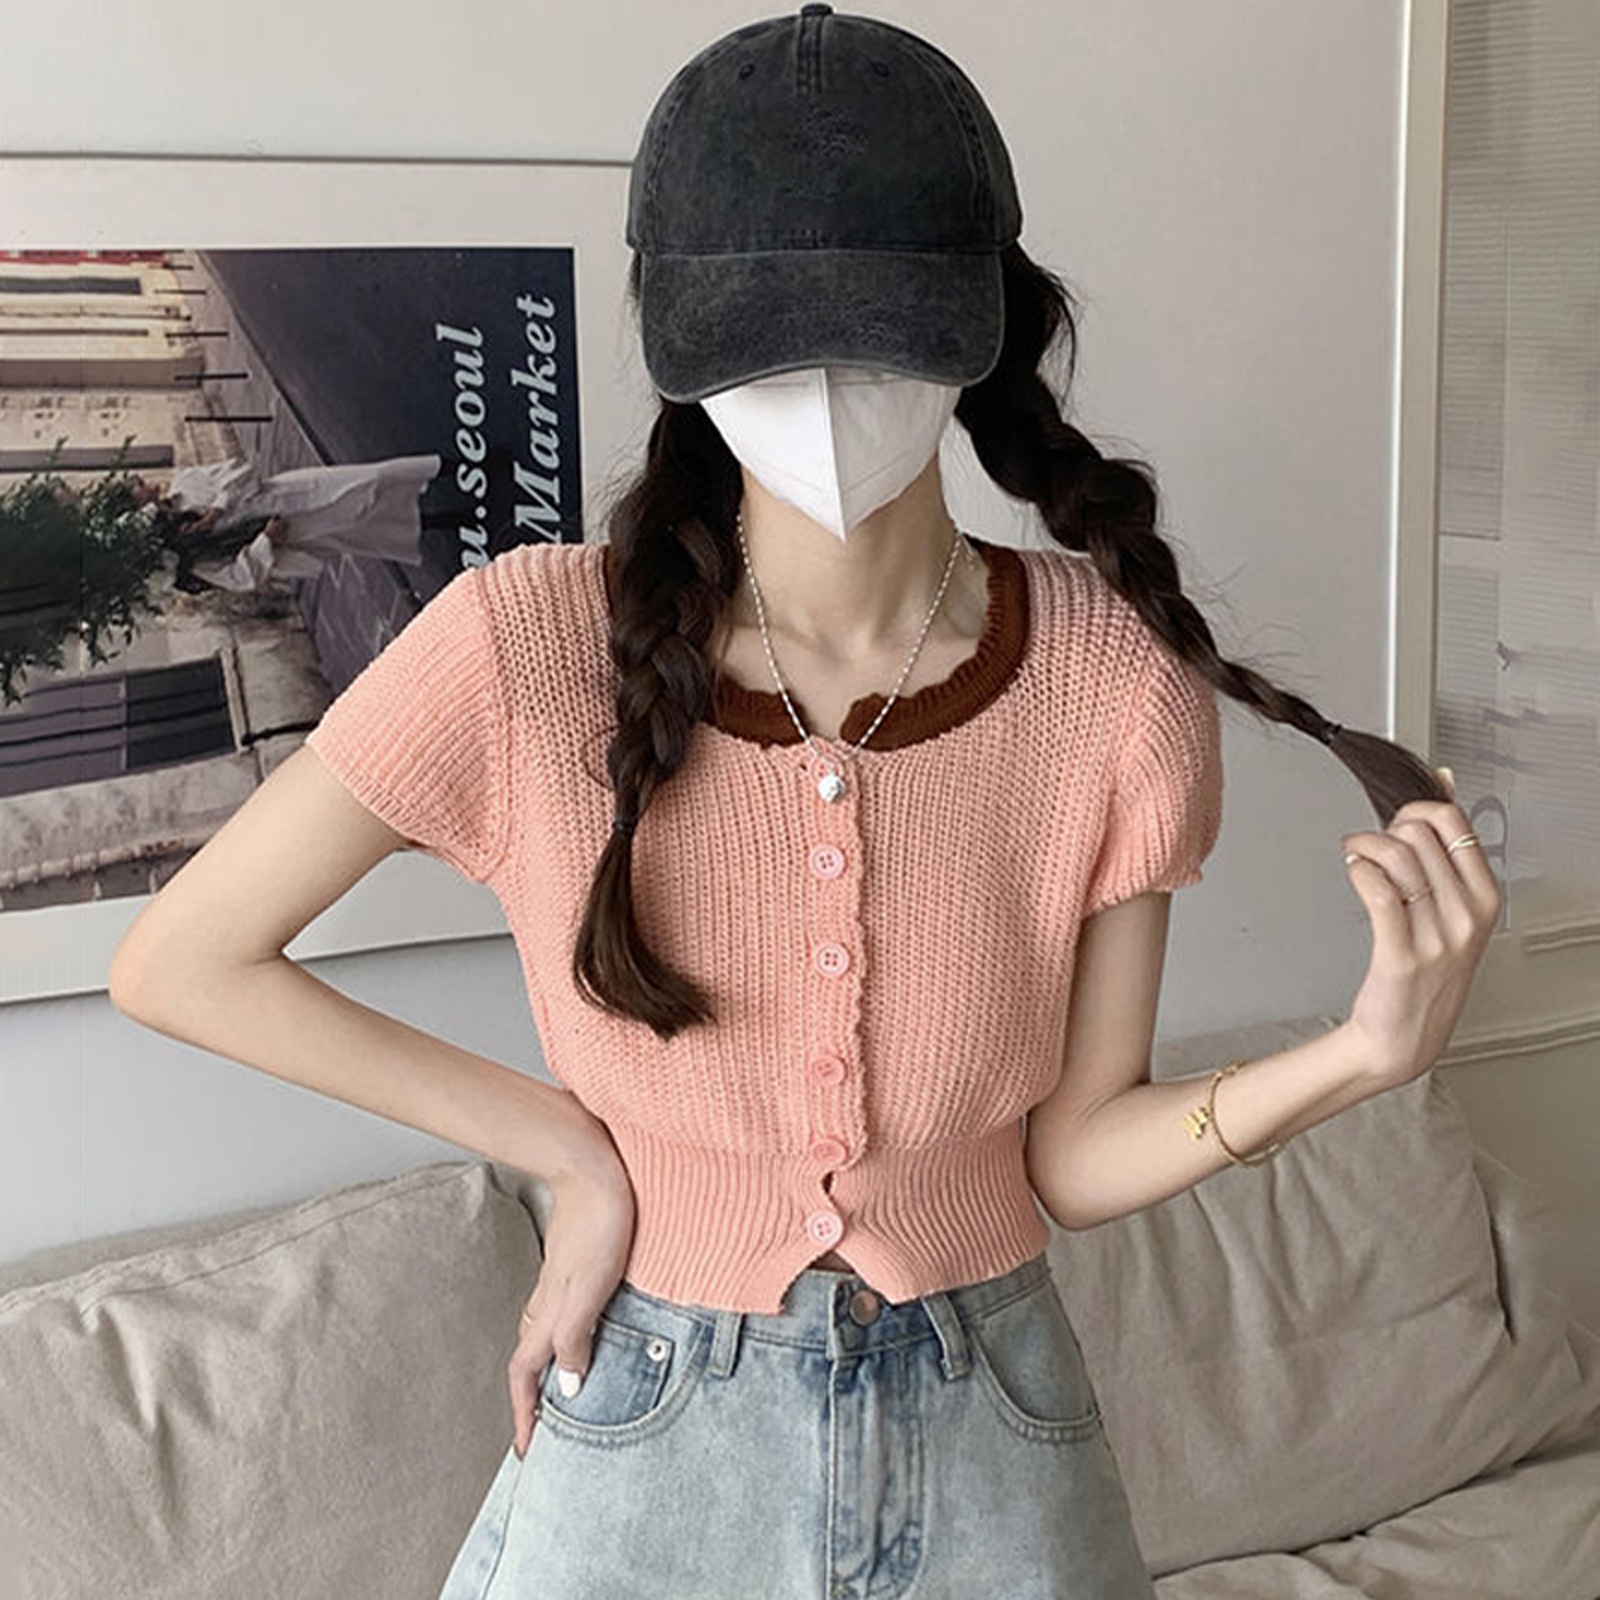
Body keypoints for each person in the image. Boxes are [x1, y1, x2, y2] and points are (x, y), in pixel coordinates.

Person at [108, 8, 1502, 1599]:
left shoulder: (1115, 678)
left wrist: (1359, 1056)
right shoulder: (522, 646)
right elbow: (183, 962)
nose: (828, 385)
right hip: (650, 1434)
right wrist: (568, 1153)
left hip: (998, 1439)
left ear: (985, 327)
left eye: (879, 330)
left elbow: (1067, 1158)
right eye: (770, 335)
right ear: (682, 344)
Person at [146, 452, 440, 591]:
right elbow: (241, 577)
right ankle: (441, 520)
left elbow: (240, 471)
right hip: (296, 534)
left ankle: (439, 467)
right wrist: (266, 540)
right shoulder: (196, 560)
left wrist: (216, 511)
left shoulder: (187, 483)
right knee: (368, 528)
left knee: (371, 478)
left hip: (290, 494)